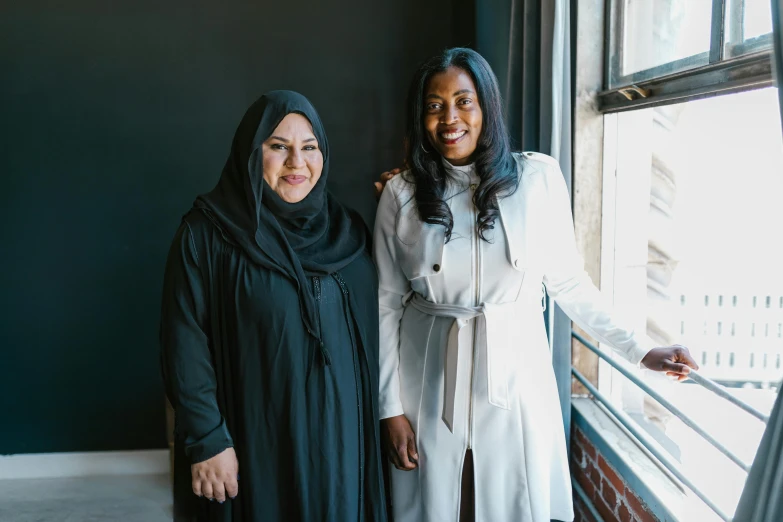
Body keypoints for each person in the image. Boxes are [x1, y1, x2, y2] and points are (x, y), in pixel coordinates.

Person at [372, 48, 698, 522]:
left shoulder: (537, 178)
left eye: (464, 102)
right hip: (428, 380)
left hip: (516, 381)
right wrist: (390, 409)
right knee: (440, 505)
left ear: (487, 107)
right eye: (434, 105)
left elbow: (569, 283)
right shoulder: (400, 195)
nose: (450, 119)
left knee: (511, 503)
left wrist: (641, 350)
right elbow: (385, 303)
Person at [160, 90, 387, 522]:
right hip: (254, 437)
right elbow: (183, 342)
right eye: (278, 147)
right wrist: (207, 438)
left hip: (342, 442)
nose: (296, 163)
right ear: (251, 152)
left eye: (309, 147)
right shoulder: (207, 235)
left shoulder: (351, 232)